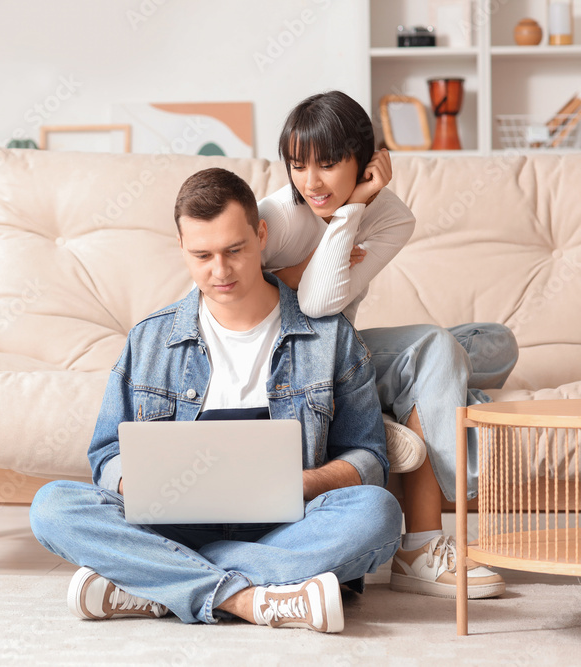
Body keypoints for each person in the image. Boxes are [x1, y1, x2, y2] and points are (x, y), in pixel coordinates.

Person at [29, 167, 402, 633]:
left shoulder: (329, 336)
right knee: (52, 506)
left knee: (378, 513)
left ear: (261, 235)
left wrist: (302, 482)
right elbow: (106, 455)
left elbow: (368, 457)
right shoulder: (149, 340)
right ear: (182, 248)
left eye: (234, 250)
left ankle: (160, 581)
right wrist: (139, 485)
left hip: (288, 525)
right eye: (202, 255)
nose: (220, 271)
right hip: (170, 526)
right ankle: (251, 598)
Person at [258, 90, 519, 599]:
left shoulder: (394, 217)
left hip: (346, 349)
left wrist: (351, 218)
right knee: (434, 348)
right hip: (302, 367)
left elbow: (322, 302)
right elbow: (312, 303)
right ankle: (422, 542)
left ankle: (419, 397)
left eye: (328, 164)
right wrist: (344, 218)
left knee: (496, 343)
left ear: (365, 159)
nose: (311, 183)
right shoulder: (277, 217)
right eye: (298, 165)